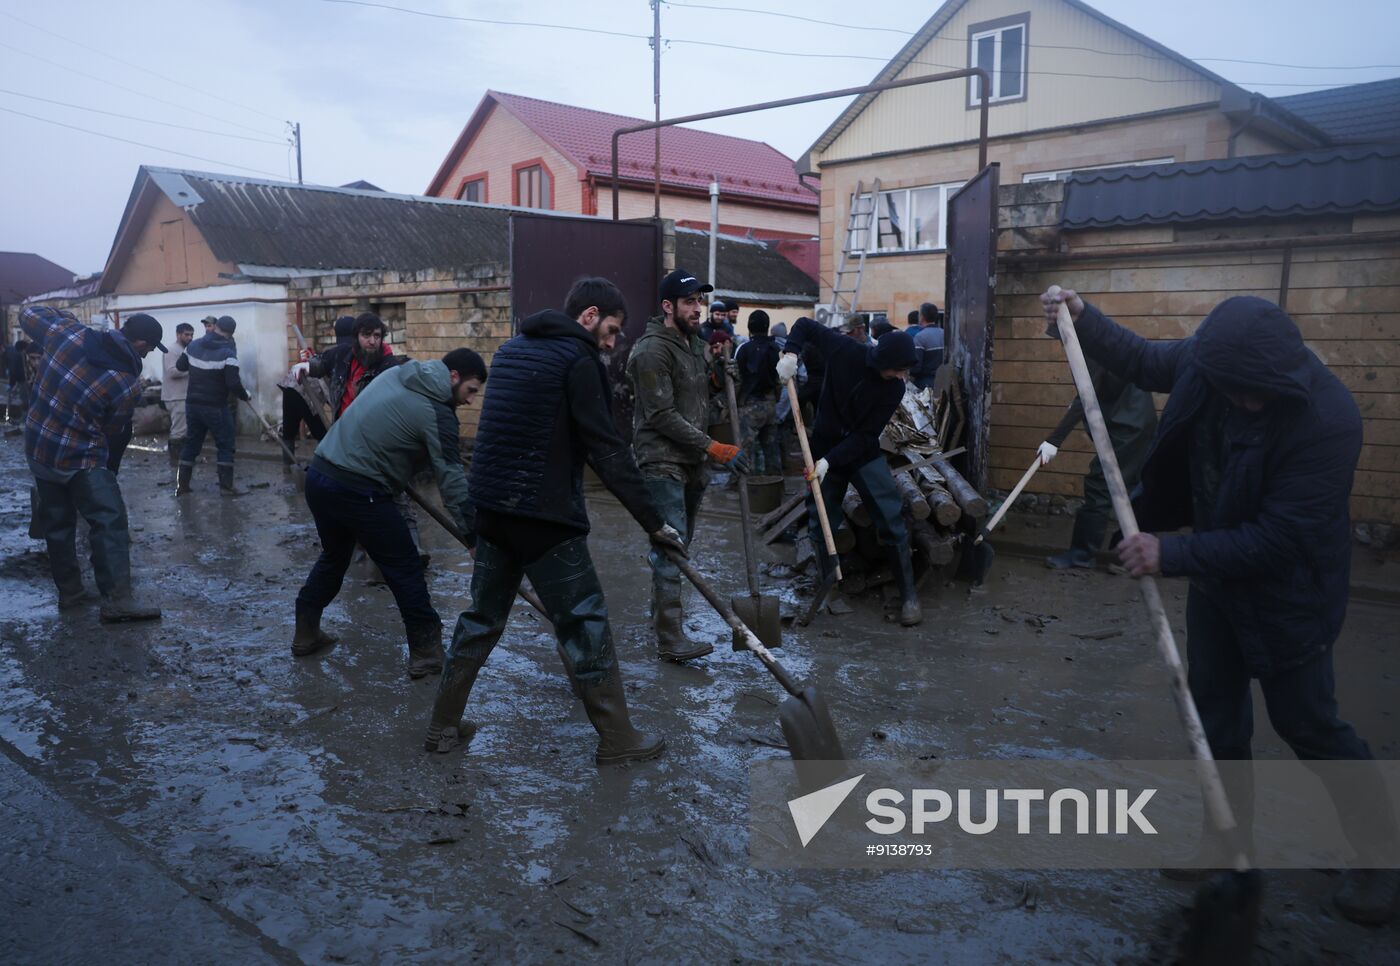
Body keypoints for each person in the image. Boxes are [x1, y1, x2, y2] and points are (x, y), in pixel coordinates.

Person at [1041, 285, 1400, 924]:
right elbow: (1149, 360)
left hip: (1291, 596)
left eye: (1253, 392)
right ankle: (1226, 837)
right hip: (1217, 585)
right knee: (1216, 723)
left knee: (1310, 726)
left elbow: (1281, 538)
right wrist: (1085, 318)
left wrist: (1170, 555)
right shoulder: (1209, 362)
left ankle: (1381, 854)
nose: (1244, 401)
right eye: (1233, 387)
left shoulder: (1329, 418)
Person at [426, 277, 685, 763]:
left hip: (492, 513)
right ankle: (617, 739)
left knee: (481, 620)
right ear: (588, 316)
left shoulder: (510, 350)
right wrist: (654, 522)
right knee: (585, 621)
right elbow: (606, 449)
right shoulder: (579, 360)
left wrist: (475, 517)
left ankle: (441, 727)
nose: (610, 343)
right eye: (610, 330)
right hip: (543, 518)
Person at [293, 348, 486, 678]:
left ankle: (305, 633)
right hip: (358, 488)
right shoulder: (438, 413)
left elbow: (381, 422)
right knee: (405, 567)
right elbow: (451, 481)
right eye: (471, 390)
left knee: (334, 556)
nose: (470, 401)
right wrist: (472, 535)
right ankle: (427, 653)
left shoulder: (398, 372)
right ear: (454, 377)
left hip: (321, 476)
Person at [626, 268, 750, 662]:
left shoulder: (693, 343)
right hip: (661, 458)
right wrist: (715, 447)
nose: (698, 309)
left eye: (699, 300)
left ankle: (661, 617)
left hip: (692, 457)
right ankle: (670, 638)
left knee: (679, 543)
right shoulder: (651, 351)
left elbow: (695, 393)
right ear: (668, 307)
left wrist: (718, 378)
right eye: (689, 302)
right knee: (672, 546)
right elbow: (661, 413)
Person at [21, 306, 164, 622]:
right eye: (152, 347)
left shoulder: (66, 334)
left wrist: (66, 316)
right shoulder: (126, 383)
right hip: (81, 457)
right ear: (141, 345)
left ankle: (70, 595)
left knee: (57, 524)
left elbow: (27, 313)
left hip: (40, 447)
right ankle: (117, 602)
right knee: (109, 521)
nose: (150, 353)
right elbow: (113, 431)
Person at [777, 316, 923, 626]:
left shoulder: (893, 388)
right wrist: (791, 353)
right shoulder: (845, 350)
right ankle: (830, 585)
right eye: (899, 369)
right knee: (820, 518)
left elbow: (867, 435)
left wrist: (833, 460)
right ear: (884, 360)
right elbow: (804, 324)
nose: (902, 376)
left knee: (890, 512)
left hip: (860, 452)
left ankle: (909, 595)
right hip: (823, 445)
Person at [1038, 348, 1157, 570]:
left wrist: (1054, 440)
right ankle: (1133, 556)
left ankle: (1081, 554)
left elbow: (1086, 397)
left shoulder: (1089, 350)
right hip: (1136, 422)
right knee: (1132, 488)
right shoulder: (1099, 343)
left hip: (1129, 427)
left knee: (1100, 484)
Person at [176, 315, 250, 495]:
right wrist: (244, 395)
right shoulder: (228, 353)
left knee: (192, 443)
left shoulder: (193, 346)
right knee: (225, 444)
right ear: (231, 333)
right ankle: (226, 487)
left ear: (215, 327)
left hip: (192, 404)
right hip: (215, 406)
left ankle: (182, 486)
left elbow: (180, 366)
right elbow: (232, 383)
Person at [734, 310, 783, 477]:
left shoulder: (744, 349)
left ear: (749, 327)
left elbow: (737, 379)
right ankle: (776, 485)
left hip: (749, 405)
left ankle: (739, 483)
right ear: (767, 327)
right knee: (771, 449)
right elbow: (779, 380)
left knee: (743, 448)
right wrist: (775, 399)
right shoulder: (775, 348)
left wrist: (734, 403)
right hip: (769, 404)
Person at [161, 322, 194, 467]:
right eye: (187, 334)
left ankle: (181, 459)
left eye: (191, 334)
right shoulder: (171, 350)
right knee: (178, 430)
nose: (190, 337)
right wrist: (193, 371)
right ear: (178, 335)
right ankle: (176, 460)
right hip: (175, 396)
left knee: (183, 429)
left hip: (182, 395)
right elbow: (172, 371)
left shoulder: (184, 350)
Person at [910, 302, 946, 391]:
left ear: (922, 317)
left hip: (925, 385)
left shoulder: (920, 337)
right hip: (945, 383)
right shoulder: (945, 334)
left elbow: (916, 368)